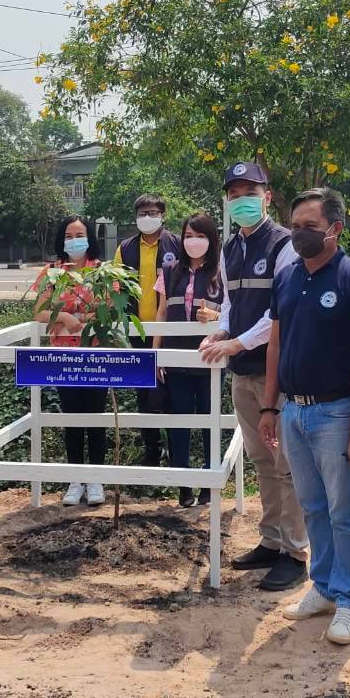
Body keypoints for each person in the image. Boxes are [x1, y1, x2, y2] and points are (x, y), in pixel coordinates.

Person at [259, 188, 350, 644]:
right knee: (313, 507)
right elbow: (276, 344)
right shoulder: (286, 277)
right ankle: (323, 587)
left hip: (337, 412)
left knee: (345, 510)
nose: (300, 234)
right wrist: (270, 405)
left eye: (310, 227)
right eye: (295, 226)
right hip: (293, 411)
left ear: (335, 229)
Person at [200, 162, 307, 591]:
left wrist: (237, 343)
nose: (241, 200)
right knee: (262, 460)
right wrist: (222, 332)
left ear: (267, 196)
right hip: (242, 371)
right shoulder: (230, 248)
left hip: (275, 373)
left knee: (287, 464)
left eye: (250, 192)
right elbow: (230, 302)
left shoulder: (284, 245)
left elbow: (278, 313)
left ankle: (295, 552)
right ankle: (271, 539)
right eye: (234, 193)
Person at [151, 213, 228, 507]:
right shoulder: (169, 271)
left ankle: (208, 483)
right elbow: (161, 313)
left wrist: (215, 315)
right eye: (189, 236)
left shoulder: (223, 271)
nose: (194, 241)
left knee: (210, 421)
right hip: (176, 360)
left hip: (210, 359)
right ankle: (183, 484)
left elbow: (233, 312)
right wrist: (157, 355)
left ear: (212, 239)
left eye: (201, 236)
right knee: (179, 423)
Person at [33, 215, 110, 507]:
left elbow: (106, 312)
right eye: (68, 235)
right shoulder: (52, 272)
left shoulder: (102, 272)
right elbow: (40, 312)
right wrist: (64, 316)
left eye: (79, 234)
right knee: (71, 418)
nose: (74, 240)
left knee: (96, 418)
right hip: (63, 357)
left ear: (90, 237)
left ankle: (96, 479)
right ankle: (75, 480)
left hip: (96, 355)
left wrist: (73, 315)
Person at [118, 194, 182, 467]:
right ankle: (151, 451)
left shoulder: (177, 244)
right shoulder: (125, 248)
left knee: (172, 393)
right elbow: (116, 286)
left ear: (163, 215)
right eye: (142, 213)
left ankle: (176, 453)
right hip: (139, 333)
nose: (147, 217)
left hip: (170, 332)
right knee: (144, 394)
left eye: (153, 212)